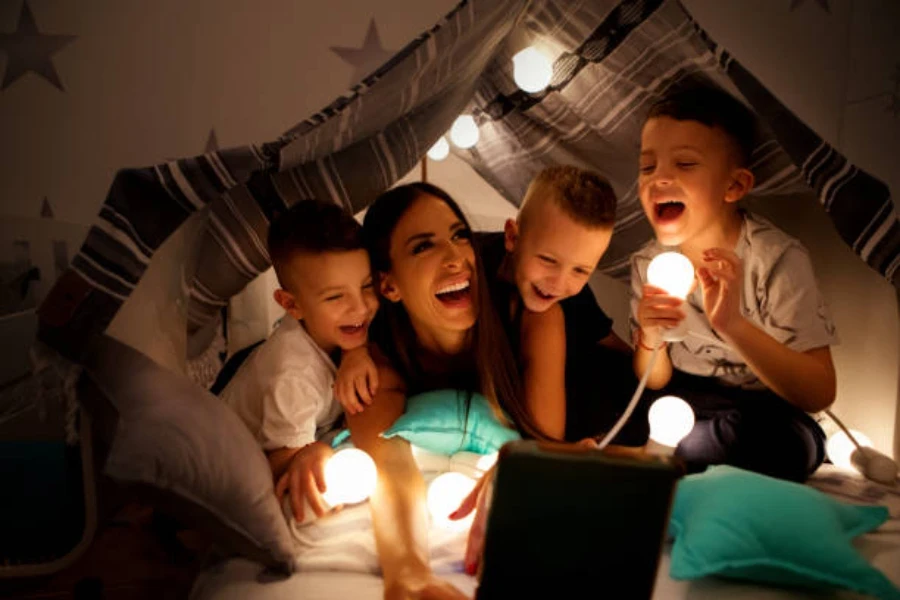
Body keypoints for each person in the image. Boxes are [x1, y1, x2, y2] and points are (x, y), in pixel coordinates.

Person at [347, 182, 544, 600]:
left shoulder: (532, 318)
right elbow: (388, 467)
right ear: (389, 286)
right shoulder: (376, 362)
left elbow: (551, 446)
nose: (457, 258)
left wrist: (517, 474)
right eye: (423, 247)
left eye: (459, 236)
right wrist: (408, 575)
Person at [631, 86, 837, 482]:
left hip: (766, 406)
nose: (659, 179)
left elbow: (819, 392)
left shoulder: (776, 259)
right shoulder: (647, 262)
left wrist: (732, 324)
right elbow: (652, 378)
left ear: (735, 186)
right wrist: (651, 333)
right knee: (642, 415)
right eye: (647, 167)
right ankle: (664, 448)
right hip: (687, 398)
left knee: (789, 445)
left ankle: (666, 453)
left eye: (685, 163)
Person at [220, 199, 379, 523]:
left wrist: (356, 351)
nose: (360, 308)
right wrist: (312, 453)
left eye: (366, 286)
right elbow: (275, 462)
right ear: (291, 305)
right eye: (336, 297)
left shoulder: (341, 330)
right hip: (226, 473)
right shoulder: (294, 375)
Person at [477, 165, 643, 444]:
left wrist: (646, 351)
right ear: (512, 237)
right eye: (548, 260)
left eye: (580, 270)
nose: (558, 282)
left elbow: (609, 343)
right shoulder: (474, 265)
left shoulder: (572, 297)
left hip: (588, 397)